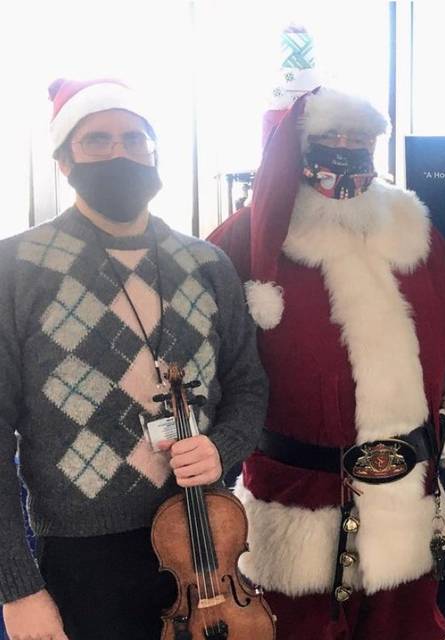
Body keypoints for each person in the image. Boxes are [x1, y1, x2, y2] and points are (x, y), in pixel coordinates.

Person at [208, 85, 445, 640]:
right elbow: (206, 365)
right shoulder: (243, 241)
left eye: (359, 140)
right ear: (296, 147)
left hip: (406, 501)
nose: (345, 151)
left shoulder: (416, 235)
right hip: (291, 504)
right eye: (329, 140)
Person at [0, 78, 267, 640]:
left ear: (154, 154)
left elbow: (249, 384)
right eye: (96, 140)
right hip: (83, 555)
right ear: (63, 159)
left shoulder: (207, 263)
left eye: (133, 139)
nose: (118, 152)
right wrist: (18, 589)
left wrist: (223, 447)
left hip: (207, 539)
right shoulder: (16, 269)